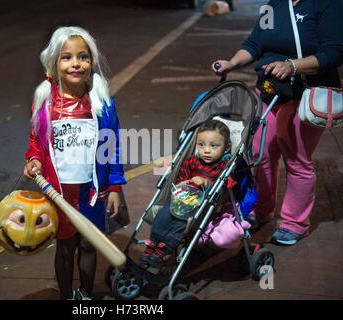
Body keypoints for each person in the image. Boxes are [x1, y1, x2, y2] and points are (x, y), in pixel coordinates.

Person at [212, 0, 343, 246]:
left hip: (304, 94)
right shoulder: (275, 5)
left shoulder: (327, 4)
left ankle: (295, 223)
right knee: (260, 153)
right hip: (271, 91)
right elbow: (254, 44)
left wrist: (293, 65)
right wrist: (231, 62)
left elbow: (333, 53)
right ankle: (261, 210)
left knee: (297, 159)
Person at [23, 26, 126, 299]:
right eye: (66, 57)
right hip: (59, 193)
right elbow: (36, 141)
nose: (76, 63)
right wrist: (33, 158)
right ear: (54, 62)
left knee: (89, 246)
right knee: (65, 248)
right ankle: (67, 296)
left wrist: (115, 187)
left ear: (91, 62)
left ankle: (86, 296)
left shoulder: (101, 102)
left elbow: (111, 146)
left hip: (92, 192)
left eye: (83, 57)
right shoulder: (44, 102)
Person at [139, 120, 251, 269]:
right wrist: (184, 183)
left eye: (214, 146)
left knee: (182, 222)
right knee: (164, 213)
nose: (206, 150)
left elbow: (224, 188)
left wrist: (206, 182)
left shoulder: (224, 166)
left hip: (205, 204)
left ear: (227, 148)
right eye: (201, 145)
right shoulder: (191, 161)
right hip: (182, 198)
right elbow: (180, 179)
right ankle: (153, 244)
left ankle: (166, 249)